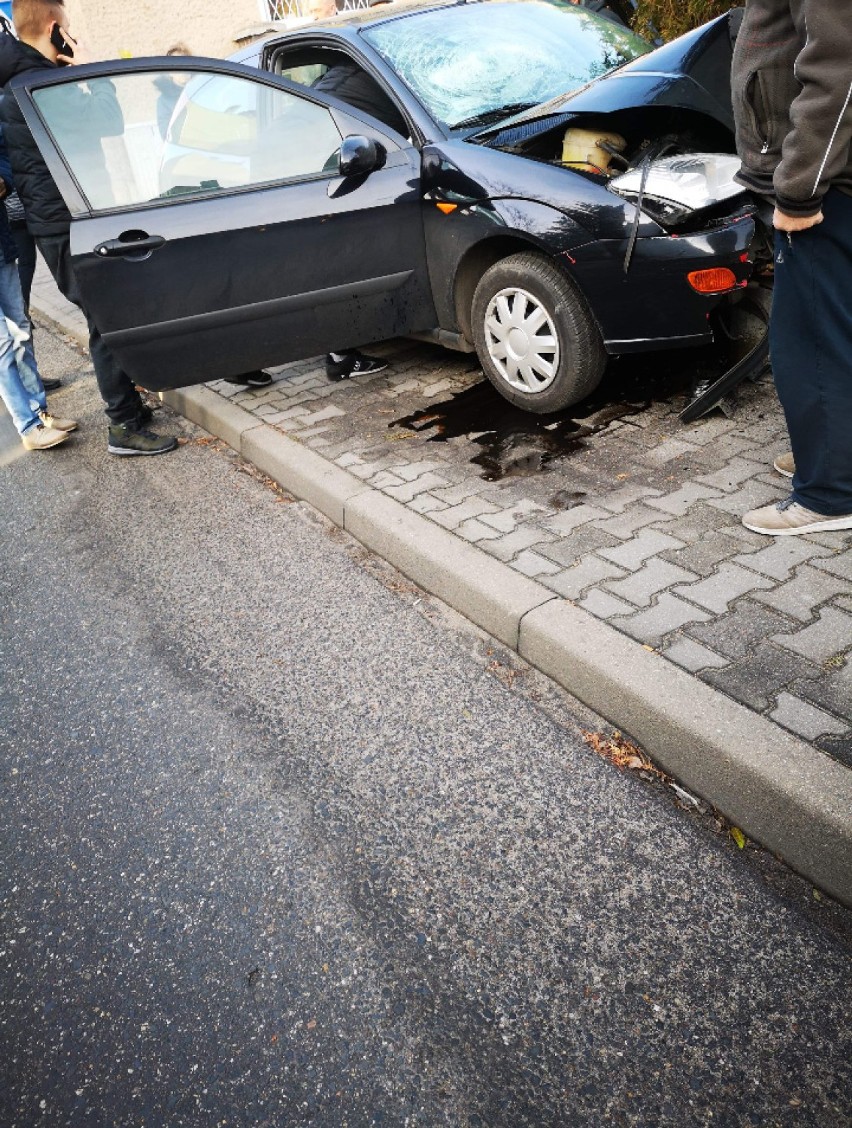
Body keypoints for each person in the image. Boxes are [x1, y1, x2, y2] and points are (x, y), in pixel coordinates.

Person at [0, 0, 177, 456]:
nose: (72, 36)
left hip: (59, 222)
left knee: (108, 314)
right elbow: (109, 121)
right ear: (55, 27)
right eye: (69, 29)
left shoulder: (23, 82)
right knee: (105, 319)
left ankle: (130, 408)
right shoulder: (41, 85)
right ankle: (123, 424)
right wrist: (88, 70)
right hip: (68, 223)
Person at [731, 0, 852, 535]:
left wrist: (799, 189)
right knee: (835, 333)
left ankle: (829, 494)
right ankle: (834, 457)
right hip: (828, 176)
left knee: (812, 343)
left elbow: (838, 66)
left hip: (823, 186)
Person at [0, 128, 75, 449]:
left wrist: (3, 181)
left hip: (2, 249)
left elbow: (7, 159)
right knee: (2, 343)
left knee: (21, 332)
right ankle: (28, 427)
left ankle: (40, 412)